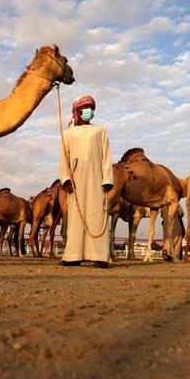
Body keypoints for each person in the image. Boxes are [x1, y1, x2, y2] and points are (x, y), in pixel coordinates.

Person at [58, 94, 114, 268]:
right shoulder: (67, 134)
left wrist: (107, 179)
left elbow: (106, 155)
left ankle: (100, 256)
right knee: (76, 216)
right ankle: (73, 255)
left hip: (97, 179)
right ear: (77, 111)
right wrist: (65, 178)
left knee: (97, 214)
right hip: (76, 180)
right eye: (85, 107)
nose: (89, 110)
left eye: (91, 107)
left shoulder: (101, 131)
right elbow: (63, 158)